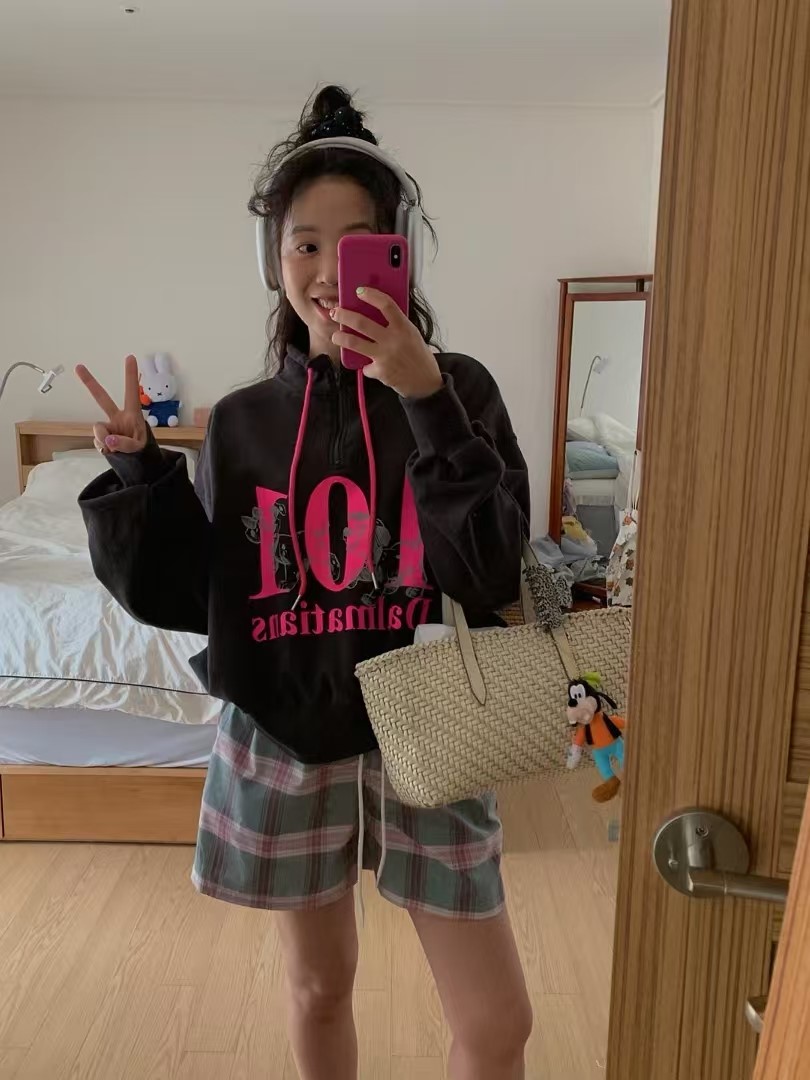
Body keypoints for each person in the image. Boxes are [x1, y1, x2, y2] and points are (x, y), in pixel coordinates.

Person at [76, 85, 533, 1080]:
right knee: (319, 989)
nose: (329, 272)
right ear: (273, 260)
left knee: (497, 1023)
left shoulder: (461, 389)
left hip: (435, 729)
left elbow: (492, 569)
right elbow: (191, 592)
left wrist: (425, 398)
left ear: (399, 255)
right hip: (285, 733)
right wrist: (140, 471)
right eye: (305, 245)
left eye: (358, 244)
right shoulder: (243, 421)